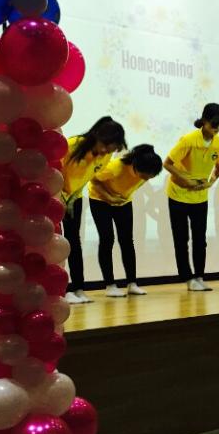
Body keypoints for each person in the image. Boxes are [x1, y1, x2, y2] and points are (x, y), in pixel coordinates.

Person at [61, 117, 127, 304]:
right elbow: (52, 171)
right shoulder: (72, 145)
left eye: (111, 150)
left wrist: (73, 198)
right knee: (57, 244)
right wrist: (58, 197)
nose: (106, 152)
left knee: (74, 243)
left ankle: (78, 289)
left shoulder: (105, 156)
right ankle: (61, 290)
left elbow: (88, 178)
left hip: (74, 199)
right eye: (105, 146)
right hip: (55, 198)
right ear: (97, 136)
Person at [163, 103, 219, 291]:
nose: (217, 128)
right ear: (204, 121)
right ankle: (188, 278)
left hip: (200, 197)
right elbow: (167, 164)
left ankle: (199, 276)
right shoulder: (188, 140)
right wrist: (187, 180)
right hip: (178, 195)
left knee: (200, 239)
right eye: (214, 124)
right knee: (181, 238)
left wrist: (211, 182)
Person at [88, 144, 163, 298]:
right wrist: (109, 197)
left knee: (127, 241)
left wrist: (120, 197)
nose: (147, 179)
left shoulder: (146, 172)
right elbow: (93, 179)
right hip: (100, 200)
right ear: (135, 166)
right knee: (107, 239)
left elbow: (136, 183)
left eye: (151, 176)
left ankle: (132, 284)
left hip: (123, 201)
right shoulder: (115, 168)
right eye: (145, 175)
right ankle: (110, 285)